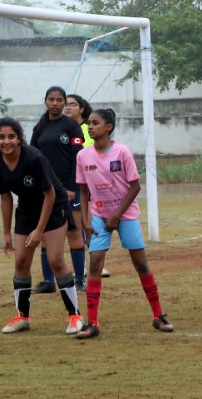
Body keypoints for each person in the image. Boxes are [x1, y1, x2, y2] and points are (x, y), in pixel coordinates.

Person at [73, 109, 174, 339]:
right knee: (95, 263)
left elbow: (135, 186)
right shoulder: (83, 156)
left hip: (125, 214)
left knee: (140, 264)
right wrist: (86, 221)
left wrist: (117, 215)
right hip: (98, 215)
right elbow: (83, 190)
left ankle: (158, 316)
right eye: (89, 123)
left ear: (108, 127)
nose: (90, 127)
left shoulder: (122, 152)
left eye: (95, 123)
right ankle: (92, 323)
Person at [0, 117, 85, 335]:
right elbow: (5, 198)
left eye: (11, 136)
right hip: (27, 210)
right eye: (2, 137)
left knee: (55, 260)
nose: (7, 142)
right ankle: (22, 316)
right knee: (21, 261)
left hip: (54, 205)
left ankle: (75, 315)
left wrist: (40, 231)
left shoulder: (34, 157)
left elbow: (50, 194)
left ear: (19, 138)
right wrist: (6, 233)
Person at [30, 86, 87, 292]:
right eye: (51, 100)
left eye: (59, 100)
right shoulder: (39, 128)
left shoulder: (72, 126)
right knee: (45, 233)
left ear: (64, 103)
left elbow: (78, 157)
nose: (55, 104)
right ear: (45, 101)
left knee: (74, 232)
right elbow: (32, 157)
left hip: (69, 189)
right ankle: (48, 281)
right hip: (46, 190)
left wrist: (72, 186)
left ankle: (80, 279)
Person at [66, 93, 109, 277]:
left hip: (91, 183)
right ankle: (80, 267)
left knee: (89, 224)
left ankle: (96, 264)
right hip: (69, 183)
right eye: (66, 104)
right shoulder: (59, 128)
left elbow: (92, 154)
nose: (68, 107)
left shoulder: (88, 129)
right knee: (73, 227)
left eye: (73, 104)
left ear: (81, 109)